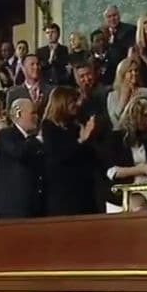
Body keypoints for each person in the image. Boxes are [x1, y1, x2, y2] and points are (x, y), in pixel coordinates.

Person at [99, 97, 147, 213]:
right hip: (123, 196)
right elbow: (112, 172)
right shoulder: (115, 139)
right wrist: (142, 169)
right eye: (145, 116)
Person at [42, 87, 98, 216]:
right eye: (73, 101)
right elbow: (59, 155)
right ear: (62, 103)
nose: (77, 105)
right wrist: (81, 140)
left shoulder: (76, 125)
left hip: (83, 189)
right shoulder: (49, 127)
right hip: (62, 193)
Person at [0, 98, 45, 219]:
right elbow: (19, 152)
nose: (36, 117)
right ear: (19, 114)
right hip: (14, 207)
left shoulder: (33, 140)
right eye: (32, 113)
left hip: (35, 204)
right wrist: (38, 139)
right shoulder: (6, 135)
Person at [106, 58, 147, 130]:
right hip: (119, 135)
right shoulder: (112, 96)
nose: (134, 73)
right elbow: (115, 121)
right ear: (122, 74)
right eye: (130, 71)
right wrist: (123, 101)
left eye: (136, 70)